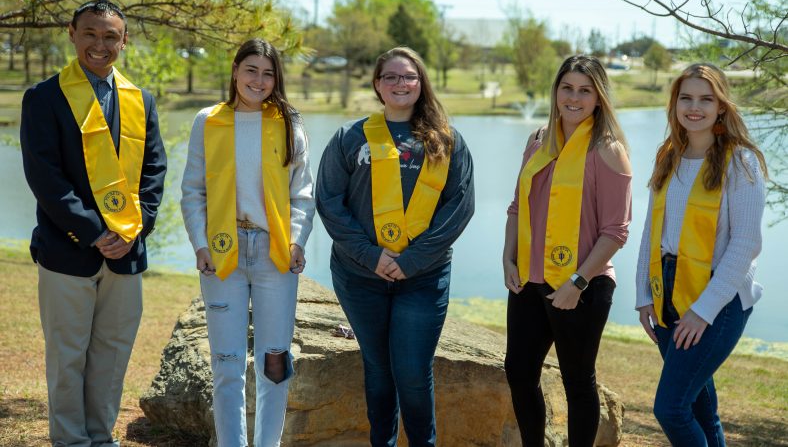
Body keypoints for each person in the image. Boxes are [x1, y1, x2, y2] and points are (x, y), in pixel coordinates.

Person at [20, 0, 167, 447]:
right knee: (68, 357)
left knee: (112, 355)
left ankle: (101, 438)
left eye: (110, 36)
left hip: (127, 252)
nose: (99, 44)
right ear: (72, 33)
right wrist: (94, 232)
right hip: (68, 250)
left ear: (124, 40)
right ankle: (69, 440)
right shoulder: (44, 98)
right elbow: (45, 177)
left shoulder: (141, 99)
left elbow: (155, 172)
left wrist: (132, 230)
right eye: (90, 33)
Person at [315, 46, 474, 446]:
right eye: (391, 77)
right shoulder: (349, 137)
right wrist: (372, 256)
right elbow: (329, 202)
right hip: (359, 276)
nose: (400, 84)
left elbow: (459, 206)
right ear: (377, 85)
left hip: (422, 278)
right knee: (378, 370)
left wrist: (412, 261)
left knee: (412, 373)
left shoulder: (446, 141)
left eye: (409, 77)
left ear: (421, 84)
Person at [180, 38, 315, 447]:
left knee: (275, 362)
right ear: (235, 71)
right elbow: (193, 190)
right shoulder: (209, 120)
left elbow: (303, 193)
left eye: (268, 72)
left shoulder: (288, 123)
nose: (259, 80)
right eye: (251, 70)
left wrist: (295, 240)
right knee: (227, 363)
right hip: (223, 251)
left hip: (275, 254)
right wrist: (201, 244)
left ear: (277, 79)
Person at [502, 55, 632, 446]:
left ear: (598, 97)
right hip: (529, 277)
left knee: (577, 381)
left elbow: (616, 231)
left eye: (584, 90)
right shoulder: (538, 141)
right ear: (556, 91)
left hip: (582, 286)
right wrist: (507, 257)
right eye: (566, 88)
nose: (573, 98)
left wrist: (578, 281)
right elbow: (516, 206)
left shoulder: (608, 150)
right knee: (519, 372)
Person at [635, 63, 767, 446]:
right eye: (686, 98)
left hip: (718, 299)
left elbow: (745, 246)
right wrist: (646, 294)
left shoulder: (741, 164)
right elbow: (650, 233)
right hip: (668, 293)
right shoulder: (668, 157)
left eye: (706, 99)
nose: (695, 107)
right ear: (674, 104)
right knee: (700, 411)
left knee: (671, 408)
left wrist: (702, 310)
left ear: (721, 106)